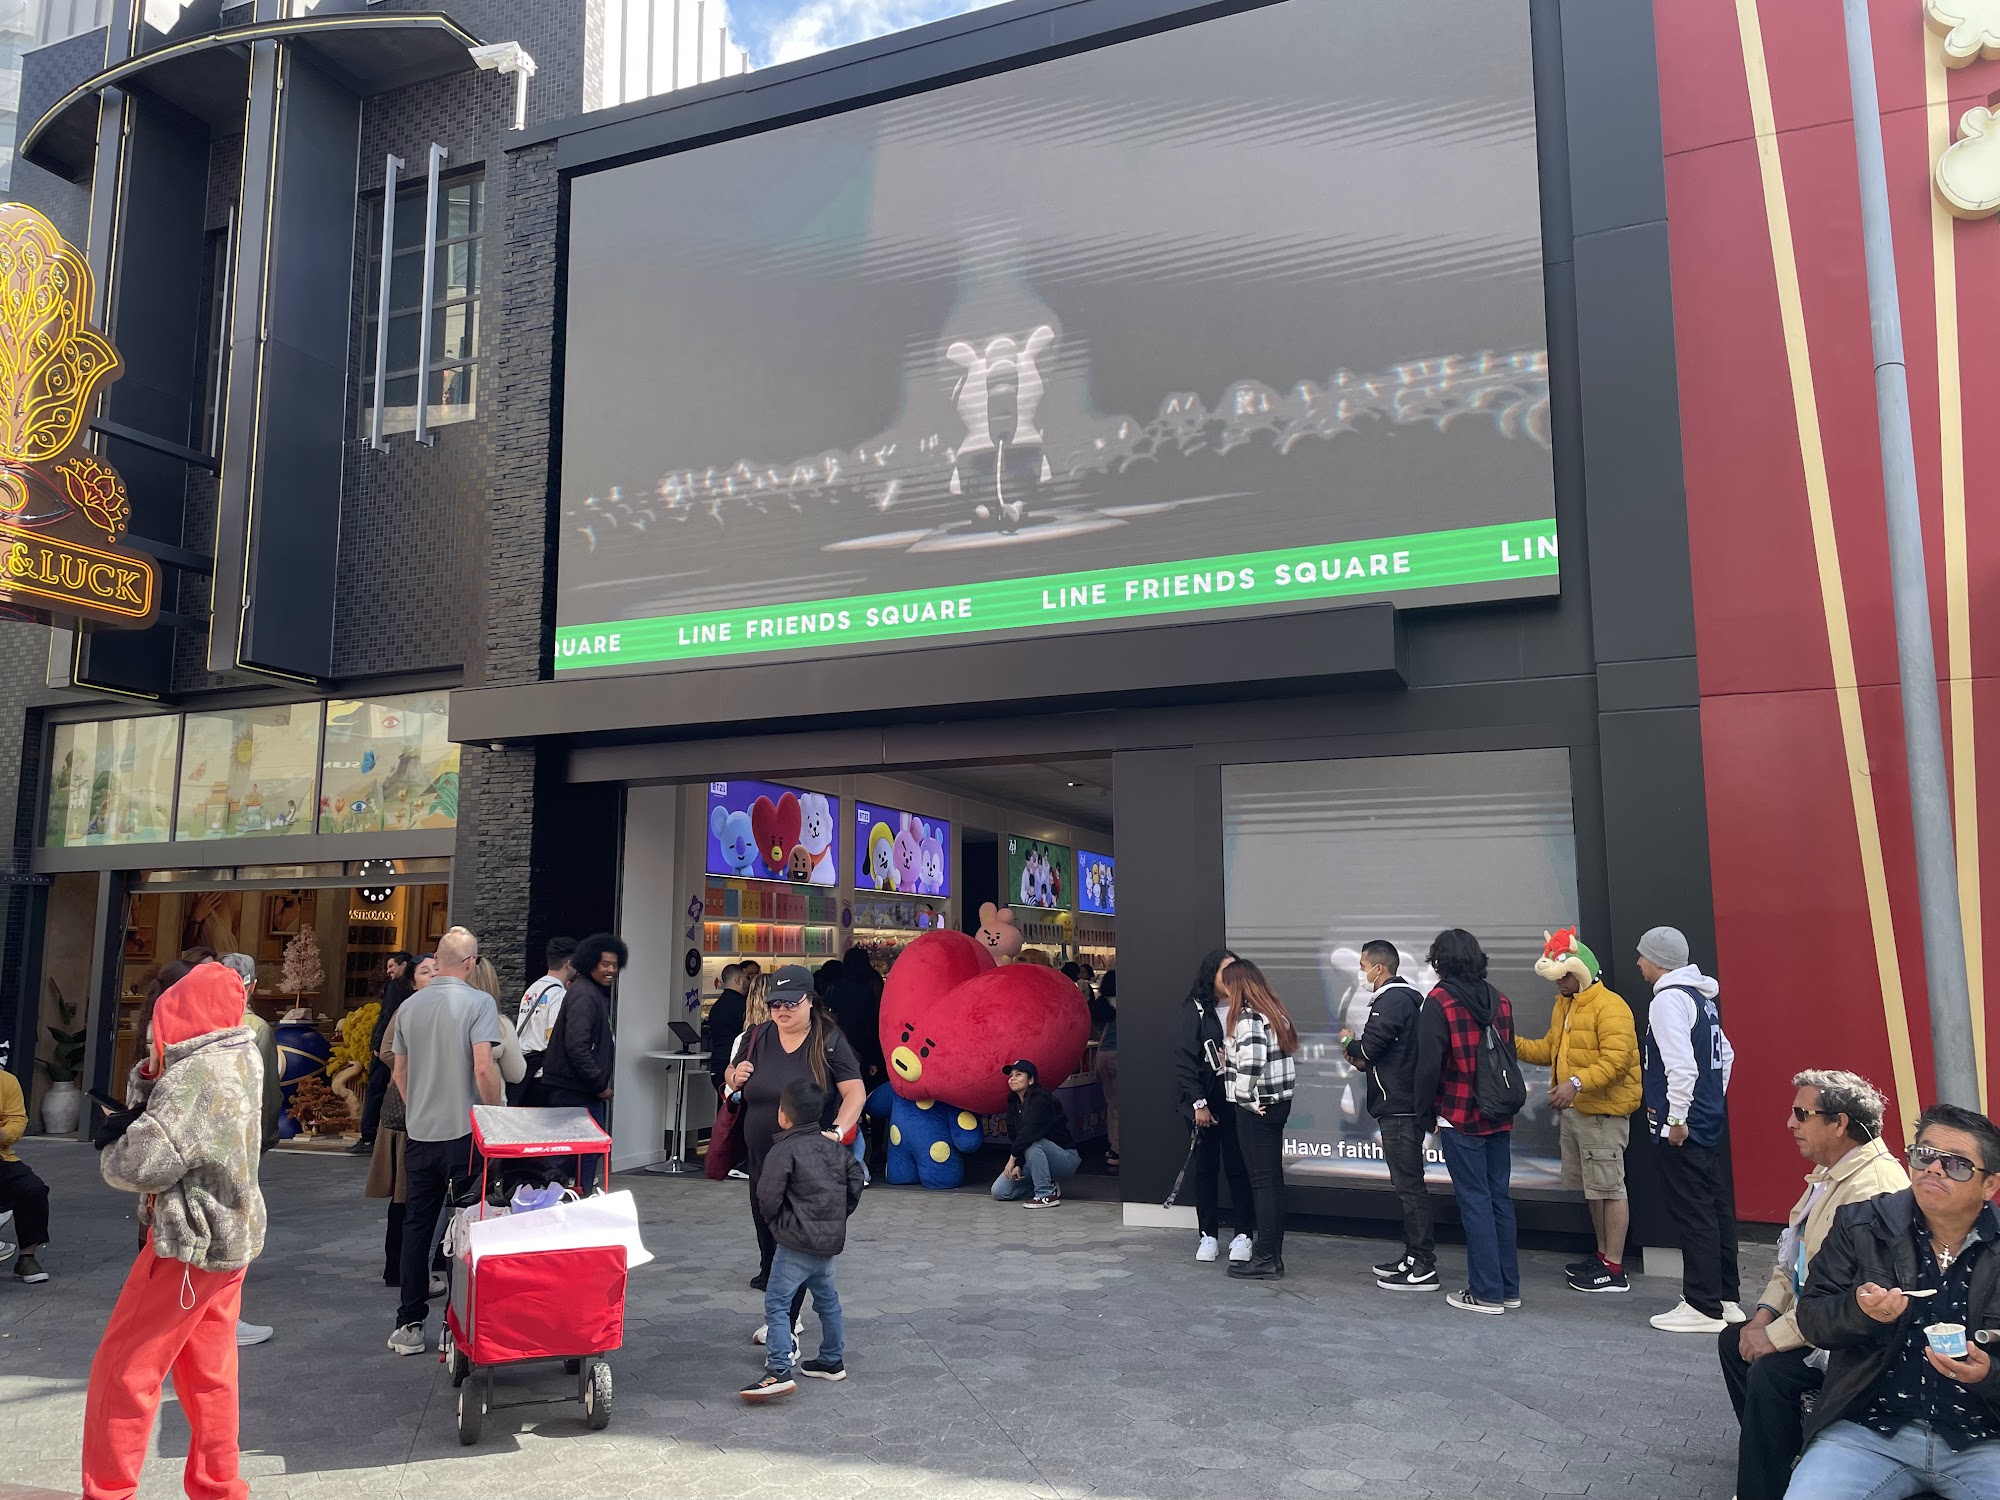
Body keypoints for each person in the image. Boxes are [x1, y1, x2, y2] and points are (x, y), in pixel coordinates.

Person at [83, 962, 266, 1500]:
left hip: (186, 1240)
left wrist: (115, 1143)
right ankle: (219, 1484)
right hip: (232, 1235)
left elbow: (141, 1164)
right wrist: (148, 1082)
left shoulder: (193, 1077)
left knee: (124, 1369)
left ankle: (109, 1490)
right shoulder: (242, 1053)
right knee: (210, 1372)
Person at [1786, 1103, 2000, 1499]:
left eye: (1956, 1165)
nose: (1934, 1169)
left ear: (1989, 1185)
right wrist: (1860, 1313)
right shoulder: (1862, 1223)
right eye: (1925, 1155)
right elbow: (1813, 1317)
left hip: (1984, 1438)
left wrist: (1989, 1376)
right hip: (1869, 1429)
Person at [1719, 1069, 1906, 1500]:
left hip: (1854, 1337)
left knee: (1771, 1373)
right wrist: (1762, 1319)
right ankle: (1779, 1458)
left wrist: (1775, 1337)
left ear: (1839, 1123)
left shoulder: (1874, 1188)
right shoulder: (1831, 1175)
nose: (1790, 1124)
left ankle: (1767, 1485)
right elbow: (1792, 1262)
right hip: (1816, 1320)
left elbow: (1853, 1298)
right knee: (1735, 1342)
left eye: (1802, 1114)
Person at [720, 965, 864, 1342]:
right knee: (768, 1240)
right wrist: (733, 1078)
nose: (781, 1011)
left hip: (807, 1164)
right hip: (762, 1161)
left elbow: (855, 1093)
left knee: (794, 1243)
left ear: (809, 1001)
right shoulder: (756, 1036)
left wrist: (836, 1132)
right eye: (774, 1004)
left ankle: (786, 1323)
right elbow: (729, 1078)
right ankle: (785, 1314)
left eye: (790, 1003)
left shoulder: (828, 1039)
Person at [388, 928, 503, 1356]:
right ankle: (460, 1326)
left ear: (438, 960)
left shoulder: (410, 1007)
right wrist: (495, 1112)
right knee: (467, 1226)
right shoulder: (480, 1003)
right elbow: (483, 1067)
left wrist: (419, 1105)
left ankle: (409, 1322)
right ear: (471, 964)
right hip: (465, 1133)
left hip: (420, 1133)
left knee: (418, 1227)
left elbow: (399, 1074)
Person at [1515, 928, 1641, 1293]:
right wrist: (1512, 1042)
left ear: (1580, 973)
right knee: (1594, 1189)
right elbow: (1548, 1051)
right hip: (1581, 1113)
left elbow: (1617, 1060)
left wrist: (1576, 1084)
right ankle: (1604, 1258)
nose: (1558, 985)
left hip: (1603, 1113)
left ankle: (1614, 1268)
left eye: (1563, 977)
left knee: (1610, 1188)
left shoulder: (1611, 1006)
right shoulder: (1565, 1005)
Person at [1636, 924, 1743, 1333]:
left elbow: (1681, 1066)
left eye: (1643, 955)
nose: (1639, 962)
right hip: (1707, 1119)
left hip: (1681, 1125)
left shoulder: (1667, 1001)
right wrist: (1712, 1100)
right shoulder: (1702, 998)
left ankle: (1701, 1305)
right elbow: (1726, 1055)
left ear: (1659, 960)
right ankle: (1726, 1297)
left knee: (1693, 1213)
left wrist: (1677, 1118)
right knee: (1715, 1210)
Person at [1415, 928, 1521, 1315]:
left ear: (1440, 960)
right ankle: (1508, 1288)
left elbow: (1428, 1066)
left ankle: (1486, 1292)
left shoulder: (1439, 1001)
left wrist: (1423, 1111)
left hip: (1459, 1113)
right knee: (1499, 1199)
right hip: (1500, 1112)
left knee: (1474, 1200)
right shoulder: (1501, 1000)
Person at [740, 1078, 866, 1401]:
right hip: (827, 1243)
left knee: (778, 1303)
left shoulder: (783, 1150)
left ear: (784, 1115)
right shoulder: (833, 1148)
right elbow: (856, 1178)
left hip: (795, 1243)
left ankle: (779, 1369)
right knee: (828, 1302)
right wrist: (838, 1215)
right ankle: (831, 1359)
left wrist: (779, 1223)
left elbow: (766, 1196)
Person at [1343, 940, 1436, 1291]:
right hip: (1397, 1104)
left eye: (1364, 964)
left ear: (1379, 968)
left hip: (1400, 1107)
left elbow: (1369, 1047)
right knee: (1406, 1185)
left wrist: (1346, 1044)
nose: (1361, 971)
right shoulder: (1400, 999)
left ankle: (1424, 1263)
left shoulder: (1393, 999)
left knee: (1410, 1187)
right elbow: (1375, 1055)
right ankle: (1413, 1255)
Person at [1218, 957, 1298, 1280]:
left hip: (1258, 1106)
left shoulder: (1248, 1018)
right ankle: (1271, 1255)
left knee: (1262, 1183)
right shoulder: (1274, 1013)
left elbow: (1252, 1061)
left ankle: (1266, 1256)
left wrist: (1244, 1097)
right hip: (1279, 1102)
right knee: (1272, 1181)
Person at [1173, 948, 1254, 1265]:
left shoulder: (1247, 1007)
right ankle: (1207, 1234)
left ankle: (1244, 1234)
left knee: (1240, 1168)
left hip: (1239, 1101)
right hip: (1204, 1103)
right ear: (1211, 975)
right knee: (1205, 1169)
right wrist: (1198, 1103)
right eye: (1226, 971)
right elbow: (1184, 1060)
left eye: (1237, 970)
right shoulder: (1194, 1008)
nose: (1233, 978)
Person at [217, 954, 279, 1347]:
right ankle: (224, 1315)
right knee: (235, 1220)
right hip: (239, 1135)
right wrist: (267, 1136)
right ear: (252, 986)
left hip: (195, 1138)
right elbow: (267, 1094)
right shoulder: (254, 1027)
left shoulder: (191, 1020)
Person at [533, 933, 624, 1190]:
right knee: (571, 1154)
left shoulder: (588, 992)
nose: (611, 970)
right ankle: (565, 1199)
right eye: (605, 964)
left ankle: (573, 1196)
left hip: (576, 1089)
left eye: (615, 965)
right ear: (589, 963)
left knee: (582, 1152)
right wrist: (599, 1084)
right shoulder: (585, 995)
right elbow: (577, 1045)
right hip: (574, 1091)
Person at [367, 954, 433, 1286]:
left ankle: (416, 1267)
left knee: (418, 1195)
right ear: (413, 981)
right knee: (403, 1195)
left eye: (437, 969)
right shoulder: (405, 1010)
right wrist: (417, 1063)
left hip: (431, 1111)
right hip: (404, 1110)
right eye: (425, 971)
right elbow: (385, 1050)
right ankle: (397, 1267)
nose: (432, 975)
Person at [991, 1059, 1080, 1207]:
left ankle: (1045, 1195)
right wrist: (1019, 1163)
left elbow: (1030, 1133)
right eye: (1011, 1075)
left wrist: (1013, 1159)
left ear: (1031, 1080)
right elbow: (1016, 1136)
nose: (1012, 1079)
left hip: (1065, 1158)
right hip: (1032, 1155)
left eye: (1018, 1075)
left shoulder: (1041, 1101)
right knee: (1000, 1191)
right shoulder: (1014, 1102)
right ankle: (1049, 1185)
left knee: (1034, 1144)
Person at [352, 952, 415, 1154]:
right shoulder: (404, 988)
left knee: (377, 1088)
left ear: (403, 964)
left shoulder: (398, 987)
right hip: (396, 1045)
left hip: (388, 1046)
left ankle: (369, 1136)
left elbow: (387, 1016)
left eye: (391, 966)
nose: (388, 971)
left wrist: (378, 1044)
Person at [0, 1061, 51, 1283]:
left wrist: (2, 1134)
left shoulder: (7, 1081)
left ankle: (26, 1258)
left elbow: (17, 1121)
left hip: (2, 1155)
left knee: (33, 1189)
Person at [512, 937, 574, 1105]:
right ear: (569, 963)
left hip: (525, 1070)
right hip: (542, 1074)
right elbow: (554, 1035)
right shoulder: (559, 995)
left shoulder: (532, 989)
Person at [707, 961, 754, 1101]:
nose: (748, 981)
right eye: (747, 978)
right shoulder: (742, 1006)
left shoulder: (716, 1007)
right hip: (733, 1067)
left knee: (725, 1112)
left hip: (717, 1064)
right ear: (739, 980)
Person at [1094, 970, 1120, 1172]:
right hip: (1120, 1056)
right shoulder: (1128, 1002)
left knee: (1112, 1103)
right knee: (1121, 1105)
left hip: (1102, 1055)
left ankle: (1113, 1144)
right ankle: (1118, 1149)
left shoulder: (1101, 1004)